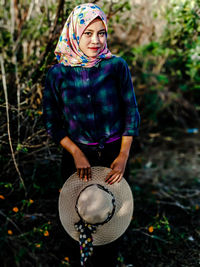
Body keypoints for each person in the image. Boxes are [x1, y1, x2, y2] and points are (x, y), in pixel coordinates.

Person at [43, 3, 140, 266]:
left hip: (113, 155)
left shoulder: (116, 66)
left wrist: (122, 156)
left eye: (101, 33)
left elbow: (131, 112)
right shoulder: (58, 73)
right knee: (78, 220)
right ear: (74, 33)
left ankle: (107, 261)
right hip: (77, 158)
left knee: (111, 215)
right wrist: (75, 152)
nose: (96, 40)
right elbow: (51, 121)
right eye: (87, 33)